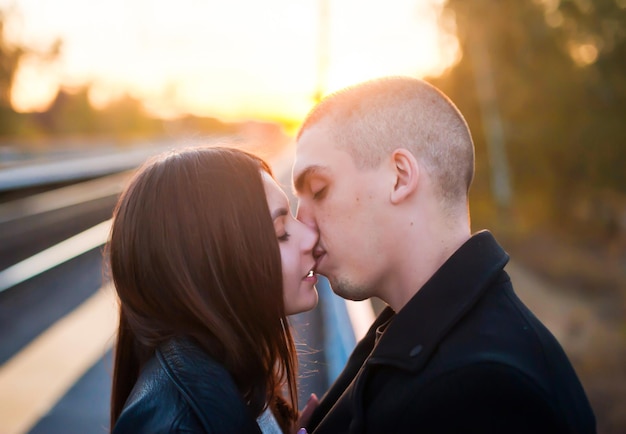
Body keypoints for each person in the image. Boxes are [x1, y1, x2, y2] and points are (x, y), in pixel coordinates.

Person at [292, 76, 596, 433]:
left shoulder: (486, 391)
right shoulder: (413, 334)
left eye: (319, 190)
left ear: (399, 177)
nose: (302, 225)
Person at [106, 145, 320, 433]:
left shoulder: (239, 380)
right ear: (213, 266)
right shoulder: (177, 427)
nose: (310, 237)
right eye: (281, 232)